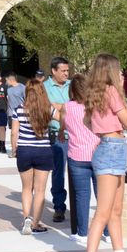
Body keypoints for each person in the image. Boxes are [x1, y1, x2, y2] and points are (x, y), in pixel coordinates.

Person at [82, 52, 127, 252]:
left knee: (114, 210)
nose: (121, 73)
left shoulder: (95, 94)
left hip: (110, 147)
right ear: (109, 71)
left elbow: (88, 122)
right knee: (105, 213)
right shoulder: (113, 92)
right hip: (112, 149)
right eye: (118, 70)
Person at [11, 77, 53, 235]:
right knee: (40, 190)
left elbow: (15, 132)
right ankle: (36, 223)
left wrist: (14, 149)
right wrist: (62, 130)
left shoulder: (19, 109)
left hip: (25, 150)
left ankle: (26, 218)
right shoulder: (47, 109)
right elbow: (63, 116)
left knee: (26, 188)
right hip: (43, 150)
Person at [60, 73, 98, 245]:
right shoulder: (95, 106)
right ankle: (106, 231)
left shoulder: (66, 107)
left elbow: (63, 126)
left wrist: (61, 132)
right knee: (102, 196)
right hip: (97, 153)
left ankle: (82, 232)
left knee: (82, 196)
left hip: (77, 155)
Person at [44, 57, 71, 223]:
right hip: (57, 137)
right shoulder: (44, 87)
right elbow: (46, 108)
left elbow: (79, 106)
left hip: (76, 135)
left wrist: (59, 106)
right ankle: (59, 207)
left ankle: (76, 207)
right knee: (58, 174)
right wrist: (67, 108)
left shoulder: (72, 85)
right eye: (63, 71)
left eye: (68, 71)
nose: (66, 74)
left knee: (77, 173)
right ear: (54, 71)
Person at [5, 71, 25, 154]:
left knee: (21, 132)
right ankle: (14, 151)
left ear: (11, 80)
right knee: (13, 132)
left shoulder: (22, 87)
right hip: (11, 113)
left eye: (6, 80)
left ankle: (21, 149)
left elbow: (27, 99)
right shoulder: (8, 89)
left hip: (21, 113)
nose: (5, 82)